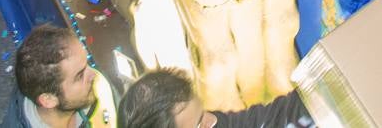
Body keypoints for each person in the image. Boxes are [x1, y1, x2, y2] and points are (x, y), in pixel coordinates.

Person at [116, 67, 309, 128]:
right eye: (200, 125)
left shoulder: (211, 122)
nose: (213, 120)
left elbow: (261, 120)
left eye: (203, 112)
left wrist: (314, 97)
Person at [0, 22, 104, 128]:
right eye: (80, 76)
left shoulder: (89, 92)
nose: (94, 74)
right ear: (48, 100)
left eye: (87, 63)